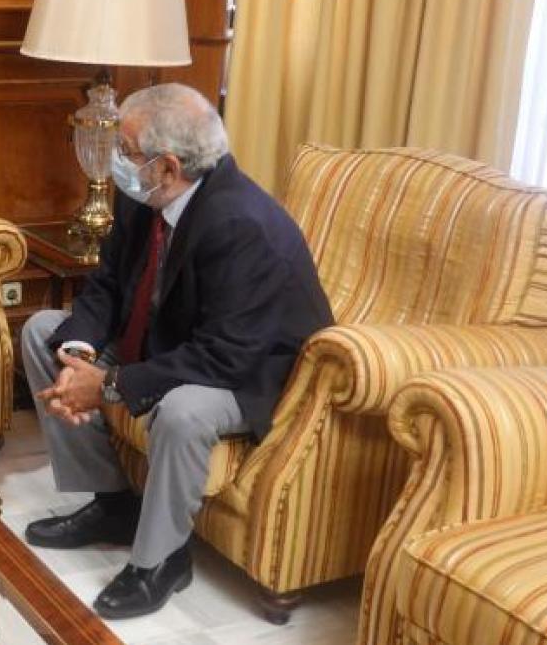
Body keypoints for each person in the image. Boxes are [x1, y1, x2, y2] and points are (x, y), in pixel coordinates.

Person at [22, 83, 333, 619]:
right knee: (41, 330)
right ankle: (113, 505)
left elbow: (224, 356)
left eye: (126, 150)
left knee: (185, 409)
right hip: (178, 340)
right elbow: (108, 284)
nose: (117, 160)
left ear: (167, 166)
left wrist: (112, 385)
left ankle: (160, 562)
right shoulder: (145, 194)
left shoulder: (240, 224)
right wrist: (79, 355)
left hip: (253, 372)